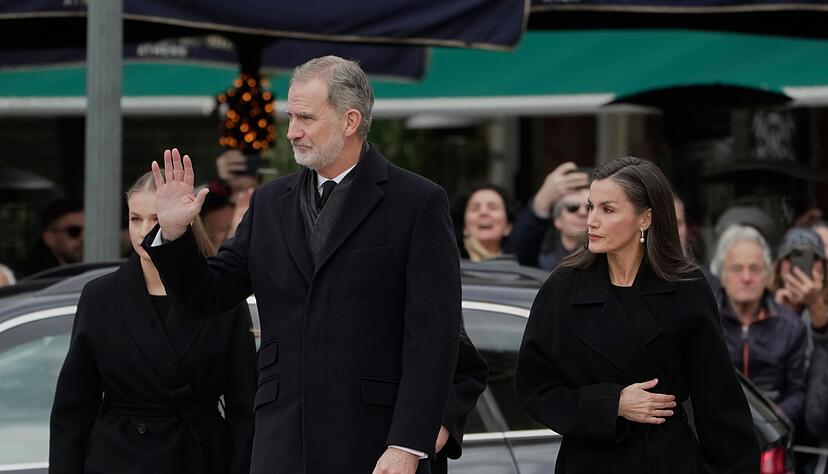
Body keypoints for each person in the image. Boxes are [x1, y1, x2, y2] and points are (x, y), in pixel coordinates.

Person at [143, 56, 462, 474]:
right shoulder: (270, 202)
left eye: (306, 118)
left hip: (374, 443)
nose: (291, 131)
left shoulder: (417, 202)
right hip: (283, 442)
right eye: (291, 116)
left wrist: (408, 443)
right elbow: (206, 295)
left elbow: (434, 336)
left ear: (350, 121)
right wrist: (175, 236)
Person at [515, 157, 759, 473]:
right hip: (589, 461)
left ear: (645, 218)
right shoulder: (564, 288)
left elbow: (719, 402)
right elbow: (536, 390)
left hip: (667, 459)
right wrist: (612, 404)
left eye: (608, 209)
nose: (591, 220)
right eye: (591, 207)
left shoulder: (685, 287)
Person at [49, 171, 256, 474]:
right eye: (135, 219)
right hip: (118, 458)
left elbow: (245, 410)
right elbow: (73, 411)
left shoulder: (221, 298)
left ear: (181, 220)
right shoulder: (100, 297)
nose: (144, 231)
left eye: (156, 220)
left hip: (199, 457)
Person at [710, 224, 807, 422]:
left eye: (754, 268)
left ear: (766, 275)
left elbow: (798, 392)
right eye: (737, 269)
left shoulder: (790, 326)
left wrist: (770, 423)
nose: (746, 278)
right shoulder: (705, 320)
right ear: (722, 275)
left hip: (773, 432)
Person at [512, 162, 590, 270]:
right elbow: (518, 253)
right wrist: (542, 201)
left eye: (589, 208)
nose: (582, 213)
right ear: (557, 220)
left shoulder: (608, 262)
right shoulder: (540, 263)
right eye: (572, 208)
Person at [20, 199, 84, 277]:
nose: (83, 238)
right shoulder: (38, 277)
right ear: (50, 238)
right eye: (74, 231)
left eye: (88, 231)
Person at [454, 184, 517, 262]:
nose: (483, 212)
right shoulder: (449, 262)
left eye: (493, 208)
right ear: (464, 226)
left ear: (508, 226)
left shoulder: (523, 262)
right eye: (475, 209)